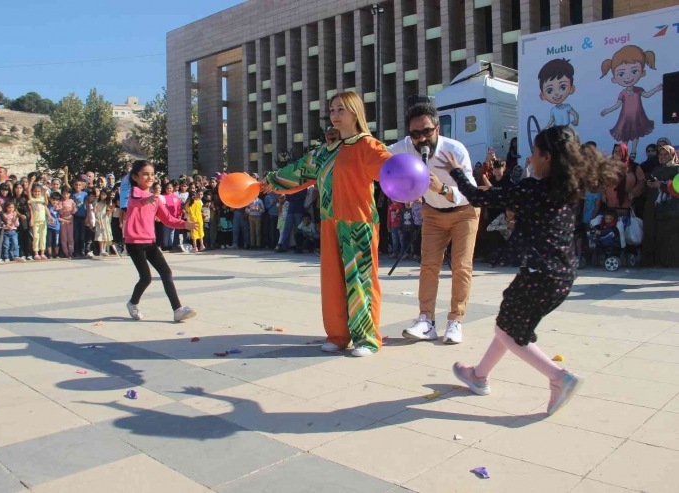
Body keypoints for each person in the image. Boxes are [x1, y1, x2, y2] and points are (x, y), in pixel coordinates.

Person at [437, 125, 622, 415]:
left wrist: (457, 171)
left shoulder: (531, 189)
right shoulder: (569, 188)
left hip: (540, 274)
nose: (530, 159)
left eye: (534, 154)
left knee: (508, 329)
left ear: (547, 157)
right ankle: (479, 375)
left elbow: (479, 198)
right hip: (561, 274)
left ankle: (558, 377)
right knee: (510, 324)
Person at [261, 91, 392, 357]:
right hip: (329, 221)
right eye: (332, 110)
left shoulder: (368, 145)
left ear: (355, 112)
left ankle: (366, 338)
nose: (334, 115)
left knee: (360, 280)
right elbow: (299, 170)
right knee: (332, 282)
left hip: (359, 222)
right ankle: (338, 335)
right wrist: (270, 181)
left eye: (340, 109)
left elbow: (391, 169)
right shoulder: (325, 151)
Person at [389, 101, 478, 345]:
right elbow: (379, 156)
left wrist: (443, 188)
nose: (422, 139)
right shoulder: (405, 147)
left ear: (437, 128)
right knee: (428, 266)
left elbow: (471, 191)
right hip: (433, 213)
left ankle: (455, 321)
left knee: (461, 267)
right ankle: (426, 321)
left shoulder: (455, 150)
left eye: (427, 131)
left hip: (464, 211)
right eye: (415, 134)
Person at [124, 160, 197, 322]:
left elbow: (168, 219)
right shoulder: (134, 192)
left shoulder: (156, 199)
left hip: (150, 242)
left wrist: (185, 224)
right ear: (135, 177)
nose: (149, 177)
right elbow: (136, 200)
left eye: (151, 174)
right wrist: (146, 200)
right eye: (145, 174)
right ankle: (133, 303)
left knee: (166, 272)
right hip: (134, 242)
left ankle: (177, 309)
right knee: (146, 277)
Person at [641, 145, 679, 267]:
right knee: (658, 235)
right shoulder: (656, 169)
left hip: (672, 208)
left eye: (665, 154)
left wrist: (661, 185)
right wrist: (650, 184)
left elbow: (676, 188)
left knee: (672, 237)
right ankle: (658, 261)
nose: (662, 157)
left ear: (672, 155)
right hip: (657, 208)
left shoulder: (676, 169)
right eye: (660, 155)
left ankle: (672, 262)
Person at [603, 143, 636, 216]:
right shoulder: (608, 167)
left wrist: (634, 192)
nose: (617, 153)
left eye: (620, 151)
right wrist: (603, 194)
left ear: (625, 152)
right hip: (610, 209)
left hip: (626, 209)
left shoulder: (633, 166)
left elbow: (641, 182)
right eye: (615, 151)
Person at [28, 179, 50, 260]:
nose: (37, 193)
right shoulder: (32, 199)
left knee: (43, 237)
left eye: (38, 191)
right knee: (36, 237)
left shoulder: (42, 198)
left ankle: (42, 253)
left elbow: (46, 204)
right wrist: (31, 181)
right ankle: (36, 253)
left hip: (43, 221)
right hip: (35, 221)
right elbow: (28, 190)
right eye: (35, 191)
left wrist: (44, 193)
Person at [71, 179, 88, 258]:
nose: (78, 186)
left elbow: (87, 205)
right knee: (76, 235)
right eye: (76, 185)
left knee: (82, 235)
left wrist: (87, 216)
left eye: (79, 185)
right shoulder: (73, 194)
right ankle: (76, 251)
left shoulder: (85, 194)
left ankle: (82, 251)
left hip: (82, 216)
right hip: (75, 217)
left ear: (82, 186)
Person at [95, 188, 113, 256]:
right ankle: (101, 250)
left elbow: (108, 212)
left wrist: (110, 210)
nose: (103, 196)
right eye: (102, 194)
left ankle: (104, 250)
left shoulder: (107, 203)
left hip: (105, 219)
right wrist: (96, 219)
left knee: (105, 234)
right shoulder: (97, 202)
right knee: (100, 234)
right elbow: (95, 212)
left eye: (104, 195)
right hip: (99, 218)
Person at [59, 187, 75, 259]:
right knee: (64, 238)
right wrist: (62, 208)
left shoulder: (71, 201)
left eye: (67, 194)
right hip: (63, 221)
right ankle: (66, 252)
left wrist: (74, 207)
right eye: (64, 194)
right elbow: (59, 213)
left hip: (70, 220)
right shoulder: (60, 202)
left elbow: (73, 212)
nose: (65, 195)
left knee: (70, 237)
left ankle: (71, 251)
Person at [47, 192, 61, 259]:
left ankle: (56, 254)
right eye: (53, 200)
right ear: (50, 199)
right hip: (49, 226)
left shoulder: (59, 207)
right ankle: (49, 254)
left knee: (56, 241)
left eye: (56, 200)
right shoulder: (48, 206)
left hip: (57, 227)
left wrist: (59, 208)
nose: (55, 202)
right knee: (49, 241)